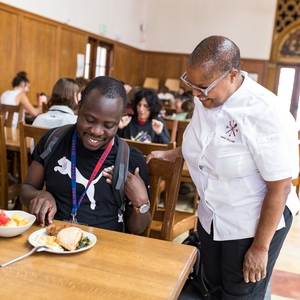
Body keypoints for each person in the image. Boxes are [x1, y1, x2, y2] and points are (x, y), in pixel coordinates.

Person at [146, 35, 299, 299]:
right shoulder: (205, 97)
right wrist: (172, 153)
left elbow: (281, 186)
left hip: (252, 219)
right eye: (191, 84)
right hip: (213, 214)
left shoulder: (265, 112)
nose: (195, 93)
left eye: (203, 87)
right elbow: (207, 146)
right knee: (212, 287)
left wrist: (260, 249)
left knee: (239, 293)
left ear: (232, 75)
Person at [20, 76, 151, 234]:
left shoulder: (130, 160)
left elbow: (138, 229)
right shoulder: (53, 141)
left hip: (107, 248)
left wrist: (141, 202)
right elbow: (26, 188)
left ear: (119, 121)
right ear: (79, 107)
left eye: (109, 125)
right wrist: (39, 194)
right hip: (53, 239)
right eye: (89, 120)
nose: (96, 131)